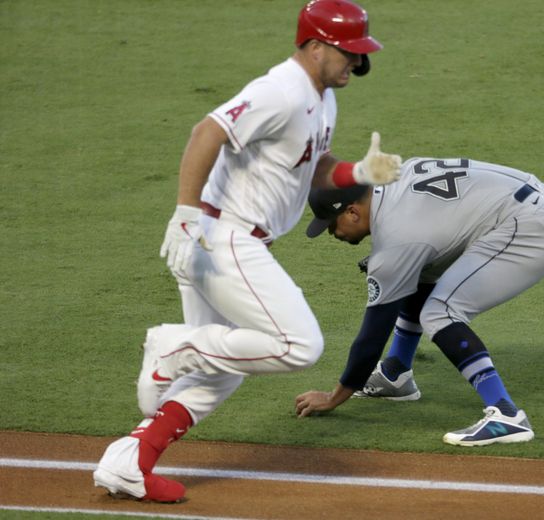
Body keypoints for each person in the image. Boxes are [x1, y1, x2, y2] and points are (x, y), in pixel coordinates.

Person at [93, 0, 401, 503]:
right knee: (298, 345)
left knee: (223, 370)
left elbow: (312, 166)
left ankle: (129, 461)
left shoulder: (321, 97)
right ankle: (176, 346)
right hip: (223, 236)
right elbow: (207, 132)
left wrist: (358, 174)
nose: (356, 64)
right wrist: (186, 214)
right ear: (316, 45)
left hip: (226, 240)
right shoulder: (280, 90)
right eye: (349, 53)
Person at [295, 157, 544, 447]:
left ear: (352, 212)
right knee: (421, 268)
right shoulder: (394, 179)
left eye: (331, 225)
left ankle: (506, 415)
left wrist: (335, 397)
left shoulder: (397, 239)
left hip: (531, 227)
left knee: (441, 312)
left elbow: (372, 337)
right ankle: (395, 374)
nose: (331, 233)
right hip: (529, 200)